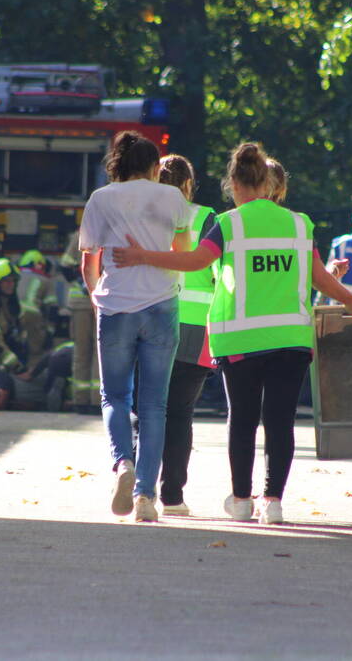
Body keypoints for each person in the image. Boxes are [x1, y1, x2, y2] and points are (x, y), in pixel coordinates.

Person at [113, 143, 352, 525]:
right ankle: (275, 502)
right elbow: (317, 276)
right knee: (281, 421)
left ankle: (243, 499)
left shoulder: (228, 223)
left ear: (232, 183)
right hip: (291, 339)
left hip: (241, 340)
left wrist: (143, 257)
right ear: (267, 183)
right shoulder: (300, 223)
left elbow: (195, 261)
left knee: (243, 420)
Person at [79, 130, 191, 523]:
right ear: (153, 167)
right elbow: (183, 254)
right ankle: (146, 497)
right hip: (162, 305)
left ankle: (122, 463)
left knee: (114, 397)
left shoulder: (100, 198)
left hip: (116, 307)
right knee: (154, 405)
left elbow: (88, 262)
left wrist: (97, 298)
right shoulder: (172, 197)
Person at [155, 154, 216, 516]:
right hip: (195, 325)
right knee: (180, 413)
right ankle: (173, 497)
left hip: (151, 319)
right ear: (189, 185)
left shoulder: (143, 215)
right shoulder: (207, 218)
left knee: (146, 410)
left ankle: (139, 483)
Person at [0, 342, 72, 412]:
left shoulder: (59, 389)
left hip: (12, 395)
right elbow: (54, 356)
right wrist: (31, 374)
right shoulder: (61, 367)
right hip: (6, 381)